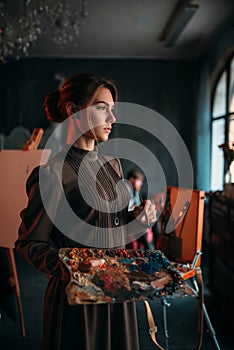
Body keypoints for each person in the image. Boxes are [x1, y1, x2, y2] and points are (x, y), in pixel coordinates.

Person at [15, 73, 157, 350]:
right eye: (102, 108)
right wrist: (72, 266)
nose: (112, 119)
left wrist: (137, 218)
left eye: (112, 110)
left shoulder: (113, 165)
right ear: (73, 111)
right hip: (77, 298)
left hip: (117, 290)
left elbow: (111, 225)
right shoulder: (51, 174)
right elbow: (29, 244)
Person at [126, 169, 155, 250]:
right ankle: (150, 251)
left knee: (149, 224)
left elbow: (138, 206)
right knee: (144, 229)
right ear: (131, 179)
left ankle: (148, 251)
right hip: (126, 221)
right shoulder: (125, 190)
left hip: (134, 219)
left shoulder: (136, 192)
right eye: (139, 181)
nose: (141, 184)